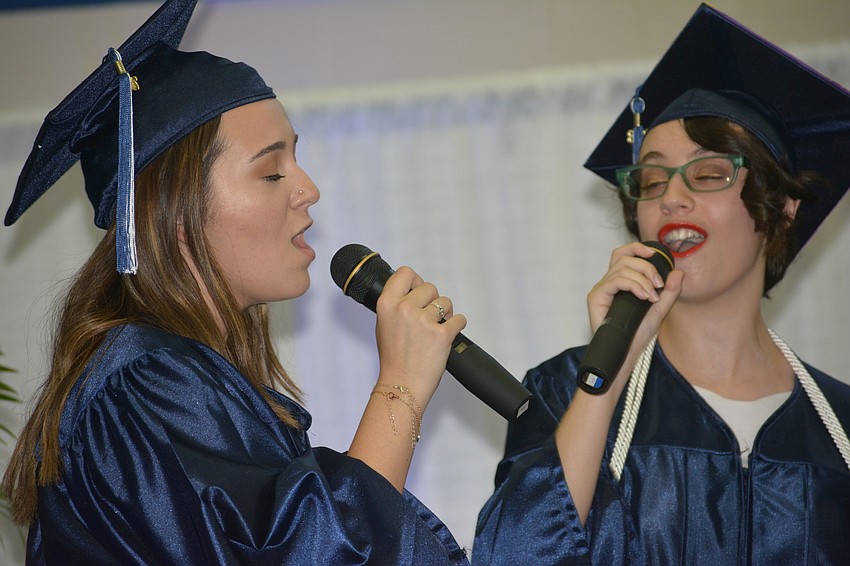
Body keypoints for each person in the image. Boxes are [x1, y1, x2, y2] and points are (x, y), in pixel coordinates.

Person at [1, 1, 470, 563]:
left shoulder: (182, 378)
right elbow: (308, 553)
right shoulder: (144, 381)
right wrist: (400, 389)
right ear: (177, 213)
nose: (308, 189)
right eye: (272, 172)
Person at [474, 4, 850, 565]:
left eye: (707, 174)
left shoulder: (839, 423)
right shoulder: (561, 394)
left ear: (784, 208)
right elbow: (513, 557)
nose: (672, 197)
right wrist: (607, 377)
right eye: (650, 180)